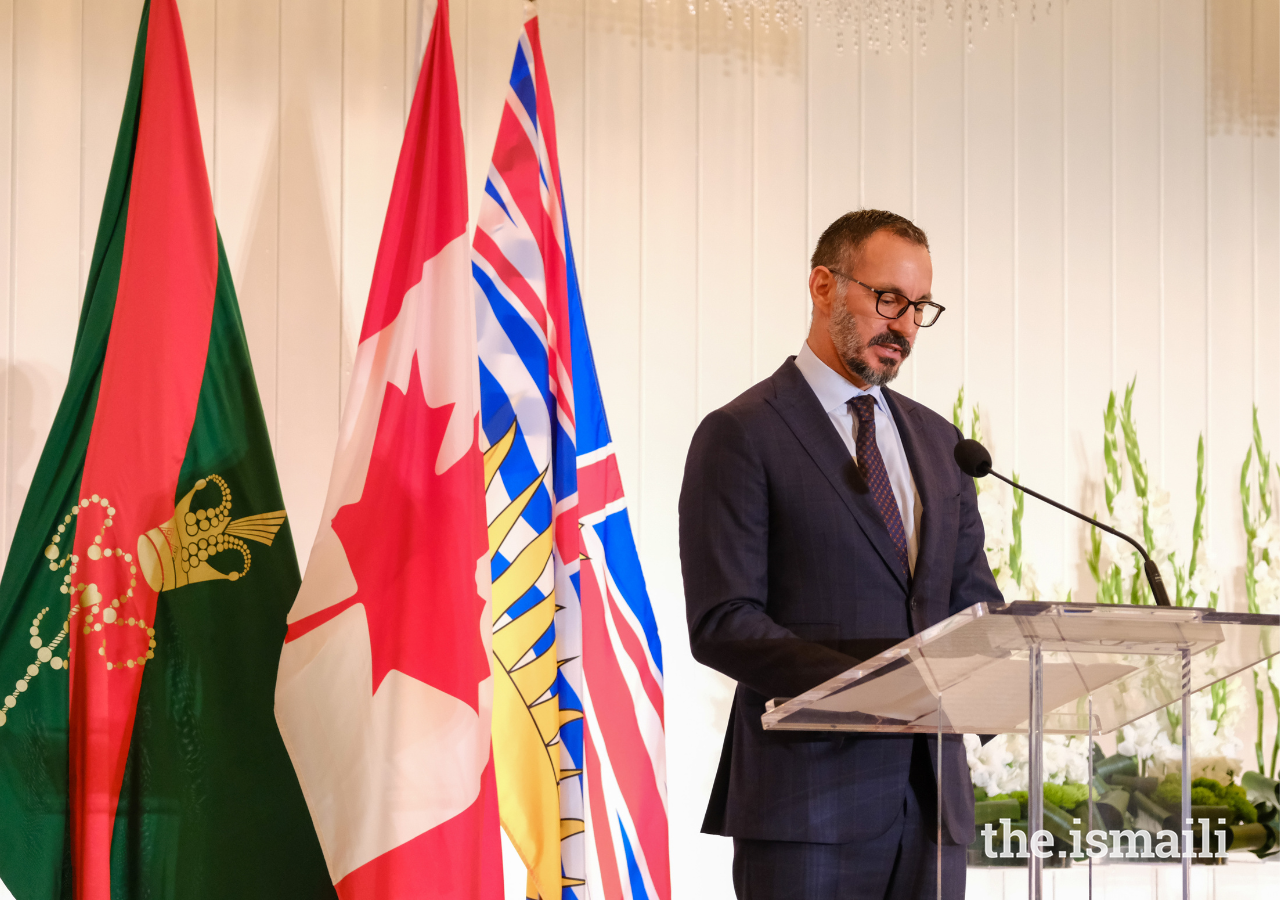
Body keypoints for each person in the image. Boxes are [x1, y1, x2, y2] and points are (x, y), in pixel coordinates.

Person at [679, 209, 1003, 900]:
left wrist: (1004, 659)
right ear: (823, 286)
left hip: (932, 809)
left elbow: (972, 604)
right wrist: (877, 690)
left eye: (921, 308)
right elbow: (725, 620)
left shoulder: (943, 445)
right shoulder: (742, 434)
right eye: (888, 299)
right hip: (807, 805)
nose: (906, 326)